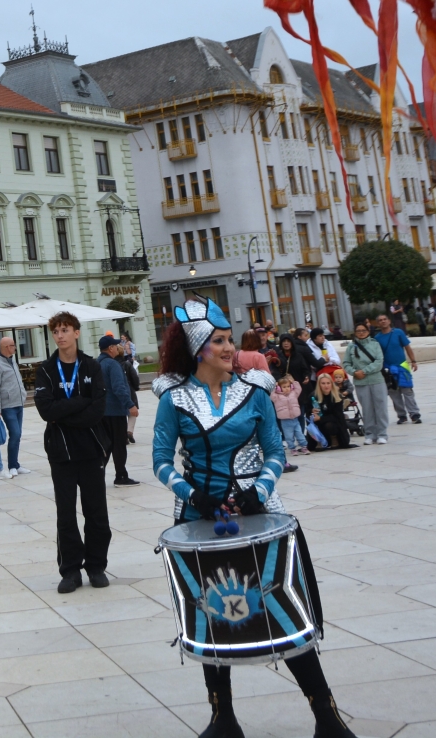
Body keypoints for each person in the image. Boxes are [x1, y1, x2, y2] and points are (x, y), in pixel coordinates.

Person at [152, 299, 357, 738]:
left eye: (229, 339)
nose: (230, 348)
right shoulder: (173, 400)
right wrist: (194, 495)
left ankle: (327, 716)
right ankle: (222, 718)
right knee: (209, 614)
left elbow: (276, 451)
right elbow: (160, 462)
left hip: (260, 514)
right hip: (198, 519)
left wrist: (257, 491)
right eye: (219, 341)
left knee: (284, 603)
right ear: (197, 349)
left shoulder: (256, 393)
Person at [34, 313, 111, 592]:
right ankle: (70, 571)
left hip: (91, 450)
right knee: (65, 515)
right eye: (56, 331)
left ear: (77, 333)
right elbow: (46, 410)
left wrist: (65, 412)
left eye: (65, 330)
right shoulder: (46, 369)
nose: (60, 335)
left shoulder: (91, 366)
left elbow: (98, 409)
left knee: (96, 512)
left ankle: (96, 566)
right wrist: (80, 402)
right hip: (61, 452)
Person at [97, 335, 137, 485]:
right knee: (119, 444)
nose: (116, 347)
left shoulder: (95, 364)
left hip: (101, 412)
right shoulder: (112, 365)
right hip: (115, 412)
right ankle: (121, 475)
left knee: (104, 445)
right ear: (110, 348)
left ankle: (96, 475)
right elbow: (119, 388)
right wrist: (130, 405)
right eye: (115, 345)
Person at [343, 322, 389, 444]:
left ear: (368, 331)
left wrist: (364, 371)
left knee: (380, 407)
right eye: (358, 331)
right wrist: (354, 372)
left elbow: (379, 361)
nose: (361, 333)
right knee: (367, 408)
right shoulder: (351, 347)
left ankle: (382, 434)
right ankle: (369, 434)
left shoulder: (375, 344)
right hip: (361, 382)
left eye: (363, 330)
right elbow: (346, 363)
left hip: (376, 380)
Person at [371, 314, 421, 424]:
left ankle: (414, 413)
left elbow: (407, 347)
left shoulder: (398, 332)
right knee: (394, 392)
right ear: (378, 324)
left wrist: (413, 361)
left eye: (385, 319)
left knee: (407, 390)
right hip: (387, 368)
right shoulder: (377, 338)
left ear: (389, 321)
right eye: (380, 320)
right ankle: (401, 415)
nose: (383, 321)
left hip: (402, 366)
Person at [0, 334, 27, 477]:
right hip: (7, 406)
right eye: (13, 345)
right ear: (7, 347)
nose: (15, 348)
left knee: (18, 435)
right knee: (15, 433)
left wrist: (23, 394)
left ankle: (16, 464)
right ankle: (12, 465)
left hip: (19, 403)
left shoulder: (13, 361)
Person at [308, 371, 351, 450]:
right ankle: (319, 440)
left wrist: (321, 418)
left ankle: (334, 439)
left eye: (328, 383)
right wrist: (312, 411)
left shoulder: (337, 396)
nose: (326, 386)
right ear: (319, 385)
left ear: (332, 384)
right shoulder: (313, 396)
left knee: (329, 425)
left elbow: (338, 417)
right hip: (319, 423)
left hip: (334, 424)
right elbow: (307, 413)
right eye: (323, 383)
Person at [273, 374, 307, 463]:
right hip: (285, 420)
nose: (287, 388)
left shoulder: (293, 393)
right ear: (279, 388)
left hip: (295, 419)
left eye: (288, 386)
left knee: (299, 433)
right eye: (284, 387)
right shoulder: (277, 396)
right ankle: (292, 448)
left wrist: (293, 382)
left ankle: (303, 446)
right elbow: (271, 394)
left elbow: (299, 389)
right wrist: (274, 386)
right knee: (289, 436)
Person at [114, 338, 142, 445]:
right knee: (132, 413)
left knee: (121, 414)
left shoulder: (112, 364)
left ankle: (123, 435)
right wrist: (136, 387)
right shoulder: (127, 364)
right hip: (129, 390)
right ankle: (129, 431)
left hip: (117, 393)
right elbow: (135, 378)